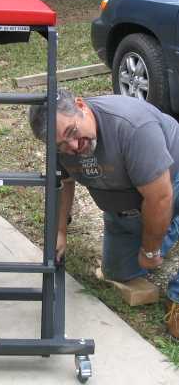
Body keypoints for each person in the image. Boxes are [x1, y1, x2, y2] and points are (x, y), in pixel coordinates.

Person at [28, 89, 179, 338]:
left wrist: (150, 250)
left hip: (169, 181)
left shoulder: (131, 126)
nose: (74, 147)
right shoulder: (60, 143)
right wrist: (60, 231)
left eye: (72, 133)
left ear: (81, 105)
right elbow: (63, 183)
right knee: (120, 272)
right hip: (128, 207)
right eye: (62, 145)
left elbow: (160, 197)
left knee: (159, 214)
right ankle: (163, 226)